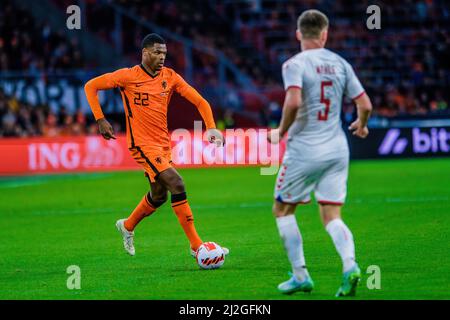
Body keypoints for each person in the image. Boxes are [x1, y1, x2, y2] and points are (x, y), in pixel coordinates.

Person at [84, 33, 228, 260]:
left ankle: (128, 226)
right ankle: (196, 245)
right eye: (157, 52)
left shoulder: (170, 77)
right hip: (141, 145)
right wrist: (100, 119)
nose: (162, 57)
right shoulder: (127, 76)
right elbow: (91, 86)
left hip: (162, 144)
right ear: (145, 53)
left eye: (164, 53)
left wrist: (210, 127)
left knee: (159, 195)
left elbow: (200, 101)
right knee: (177, 183)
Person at [268, 10, 372, 297]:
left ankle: (301, 275)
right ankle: (349, 265)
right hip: (338, 148)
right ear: (325, 34)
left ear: (299, 34)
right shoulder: (341, 63)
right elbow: (365, 104)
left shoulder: (294, 64)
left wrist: (280, 131)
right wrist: (361, 126)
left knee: (282, 209)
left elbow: (293, 101)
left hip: (305, 150)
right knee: (331, 214)